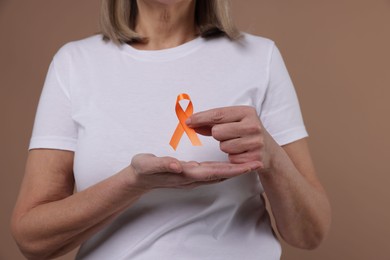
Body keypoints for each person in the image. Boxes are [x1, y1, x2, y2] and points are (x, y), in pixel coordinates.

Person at [11, 0, 331, 259]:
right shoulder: (75, 64)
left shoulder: (260, 58)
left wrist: (272, 157)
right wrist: (132, 183)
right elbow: (33, 241)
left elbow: (309, 234)